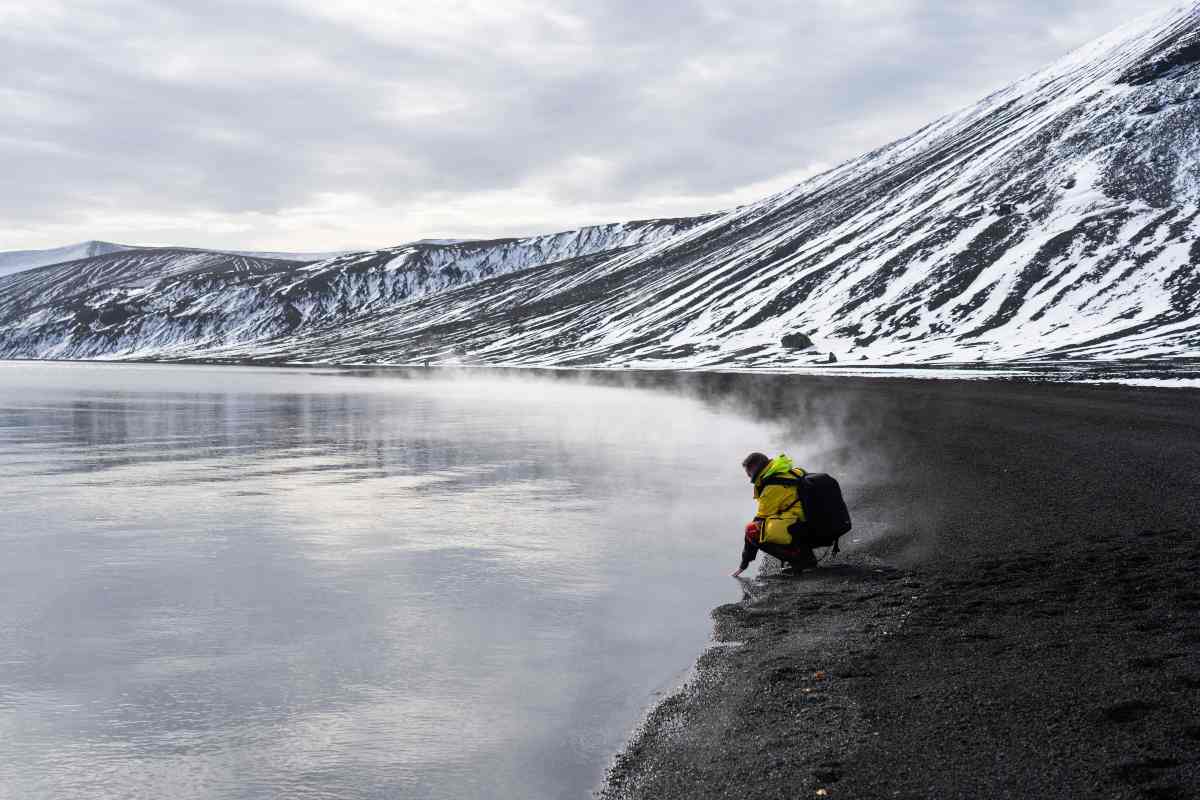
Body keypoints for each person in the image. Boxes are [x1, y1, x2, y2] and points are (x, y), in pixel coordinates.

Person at [730, 451, 818, 577]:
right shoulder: (791, 471)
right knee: (782, 520)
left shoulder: (771, 487)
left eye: (749, 474)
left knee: (753, 530)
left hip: (804, 528)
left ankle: (800, 560)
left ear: (754, 468)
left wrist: (743, 564)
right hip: (818, 522)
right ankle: (807, 556)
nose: (749, 478)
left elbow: (758, 521)